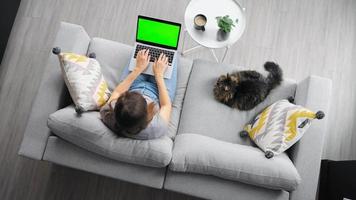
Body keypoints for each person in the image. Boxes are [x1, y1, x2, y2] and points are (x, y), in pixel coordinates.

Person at [100, 49, 177, 140]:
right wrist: (159, 75)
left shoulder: (108, 113)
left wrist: (138, 69)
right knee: (170, 54)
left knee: (141, 52)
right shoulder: (156, 128)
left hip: (132, 85)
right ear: (147, 115)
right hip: (158, 93)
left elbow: (117, 92)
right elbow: (166, 105)